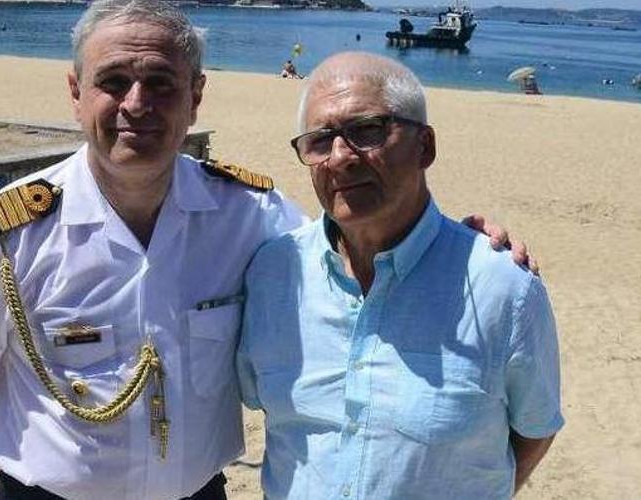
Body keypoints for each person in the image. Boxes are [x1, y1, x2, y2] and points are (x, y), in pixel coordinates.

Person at [0, 0, 530, 500]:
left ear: (196, 97)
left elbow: (350, 245)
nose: (137, 104)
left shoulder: (250, 215)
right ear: (77, 93)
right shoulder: (13, 229)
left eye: (161, 83)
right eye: (114, 82)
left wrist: (462, 241)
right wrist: (62, 437)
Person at [238, 52, 562, 499]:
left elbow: (535, 431)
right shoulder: (274, 275)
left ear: (424, 146)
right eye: (319, 140)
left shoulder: (502, 288)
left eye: (366, 131)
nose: (340, 157)